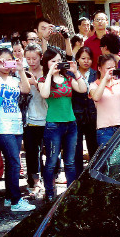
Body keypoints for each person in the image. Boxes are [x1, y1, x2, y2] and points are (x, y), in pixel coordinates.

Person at [0, 48, 35, 212]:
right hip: (1, 125)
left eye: (9, 60)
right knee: (14, 161)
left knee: (12, 162)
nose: (6, 64)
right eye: (2, 60)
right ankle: (16, 200)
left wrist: (21, 71)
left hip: (16, 124)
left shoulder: (14, 79)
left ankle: (9, 196)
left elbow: (26, 90)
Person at [38, 47, 87, 201]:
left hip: (70, 123)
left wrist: (75, 71)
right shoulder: (43, 80)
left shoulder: (68, 77)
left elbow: (83, 89)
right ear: (46, 63)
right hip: (53, 125)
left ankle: (70, 193)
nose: (57, 64)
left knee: (70, 161)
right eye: (53, 61)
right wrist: (49, 75)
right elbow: (44, 94)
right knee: (52, 161)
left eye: (59, 61)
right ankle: (50, 192)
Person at [89, 54, 120, 147]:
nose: (111, 71)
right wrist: (105, 79)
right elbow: (96, 97)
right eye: (108, 68)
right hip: (104, 130)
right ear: (99, 68)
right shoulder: (93, 85)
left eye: (113, 67)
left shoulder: (118, 83)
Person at [23, 43, 47, 198]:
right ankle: (35, 181)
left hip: (47, 116)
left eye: (34, 58)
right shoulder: (22, 72)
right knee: (32, 152)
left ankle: (50, 178)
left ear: (41, 57)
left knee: (50, 152)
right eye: (28, 59)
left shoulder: (46, 71)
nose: (31, 62)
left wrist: (36, 83)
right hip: (29, 119)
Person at [71, 46, 99, 176]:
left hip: (92, 114)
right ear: (77, 59)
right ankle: (77, 175)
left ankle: (93, 174)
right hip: (76, 114)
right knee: (76, 148)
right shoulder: (71, 74)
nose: (86, 61)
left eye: (89, 59)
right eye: (83, 58)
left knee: (93, 146)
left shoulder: (95, 74)